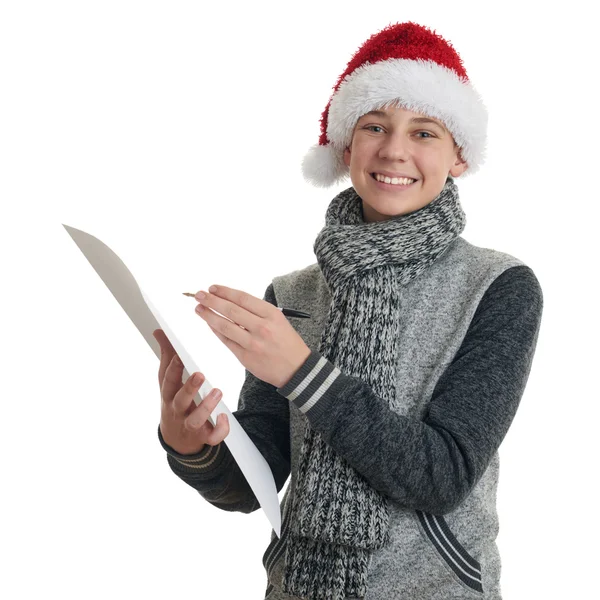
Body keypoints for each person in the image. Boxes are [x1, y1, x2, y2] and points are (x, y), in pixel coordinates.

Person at [154, 21, 544, 600]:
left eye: (425, 132)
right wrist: (194, 445)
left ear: (459, 156)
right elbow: (257, 481)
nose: (394, 151)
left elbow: (442, 474)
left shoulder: (499, 287)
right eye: (375, 126)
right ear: (346, 145)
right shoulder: (291, 292)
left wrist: (303, 373)